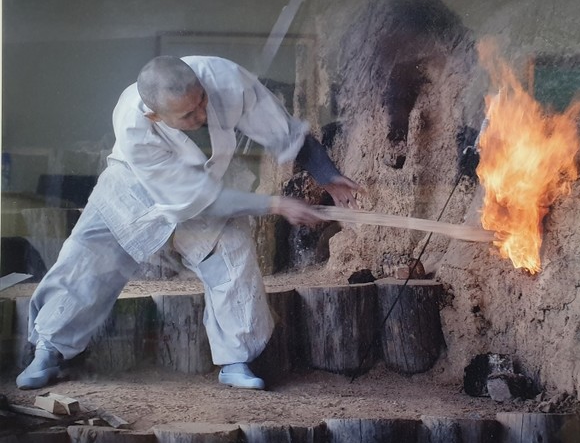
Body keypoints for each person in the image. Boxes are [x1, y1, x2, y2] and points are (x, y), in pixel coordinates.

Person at [16, 55, 359, 390]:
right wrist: (275, 205)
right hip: (133, 188)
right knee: (87, 258)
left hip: (207, 180)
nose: (202, 115)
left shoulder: (226, 79)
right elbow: (199, 200)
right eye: (187, 114)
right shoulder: (134, 124)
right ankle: (49, 349)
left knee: (232, 252)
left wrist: (326, 174)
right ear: (154, 116)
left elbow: (283, 130)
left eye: (202, 101)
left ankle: (237, 359)